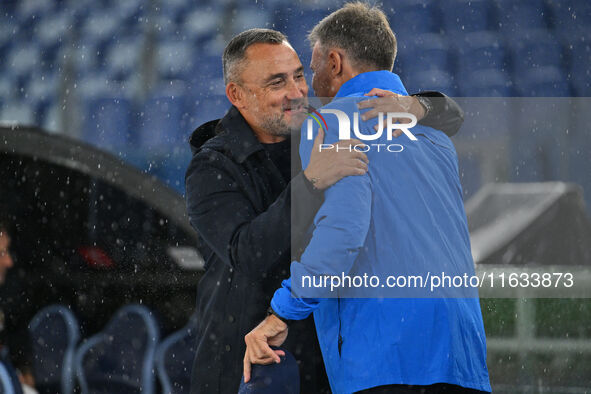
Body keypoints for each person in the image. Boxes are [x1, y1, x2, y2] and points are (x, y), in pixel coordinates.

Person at [185, 28, 466, 393]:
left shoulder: (321, 126)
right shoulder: (211, 166)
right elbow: (249, 253)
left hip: (323, 362)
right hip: (248, 365)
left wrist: (417, 106)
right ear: (236, 94)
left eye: (299, 75)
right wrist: (310, 183)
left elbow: (453, 117)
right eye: (276, 82)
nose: (297, 92)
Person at [242, 3, 491, 394]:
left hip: (384, 350)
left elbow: (343, 231)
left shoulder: (327, 123)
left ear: (335, 62)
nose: (311, 79)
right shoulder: (437, 135)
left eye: (313, 66)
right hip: (460, 350)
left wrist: (283, 310)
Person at [0, 218, 37, 394]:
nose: (9, 262)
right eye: (2, 253)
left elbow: (17, 334)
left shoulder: (7, 299)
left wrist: (23, 370)